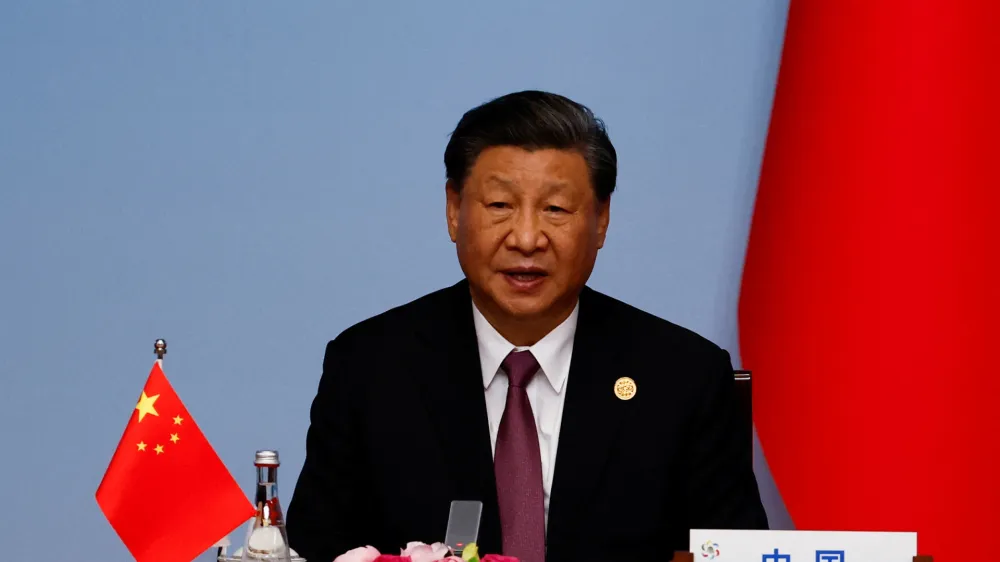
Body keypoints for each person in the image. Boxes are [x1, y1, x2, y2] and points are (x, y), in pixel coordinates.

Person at [285, 90, 768, 562]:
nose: (527, 238)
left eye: (555, 209)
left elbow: (735, 553)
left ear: (601, 219)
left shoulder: (682, 378)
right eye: (500, 205)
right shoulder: (370, 368)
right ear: (454, 209)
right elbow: (318, 549)